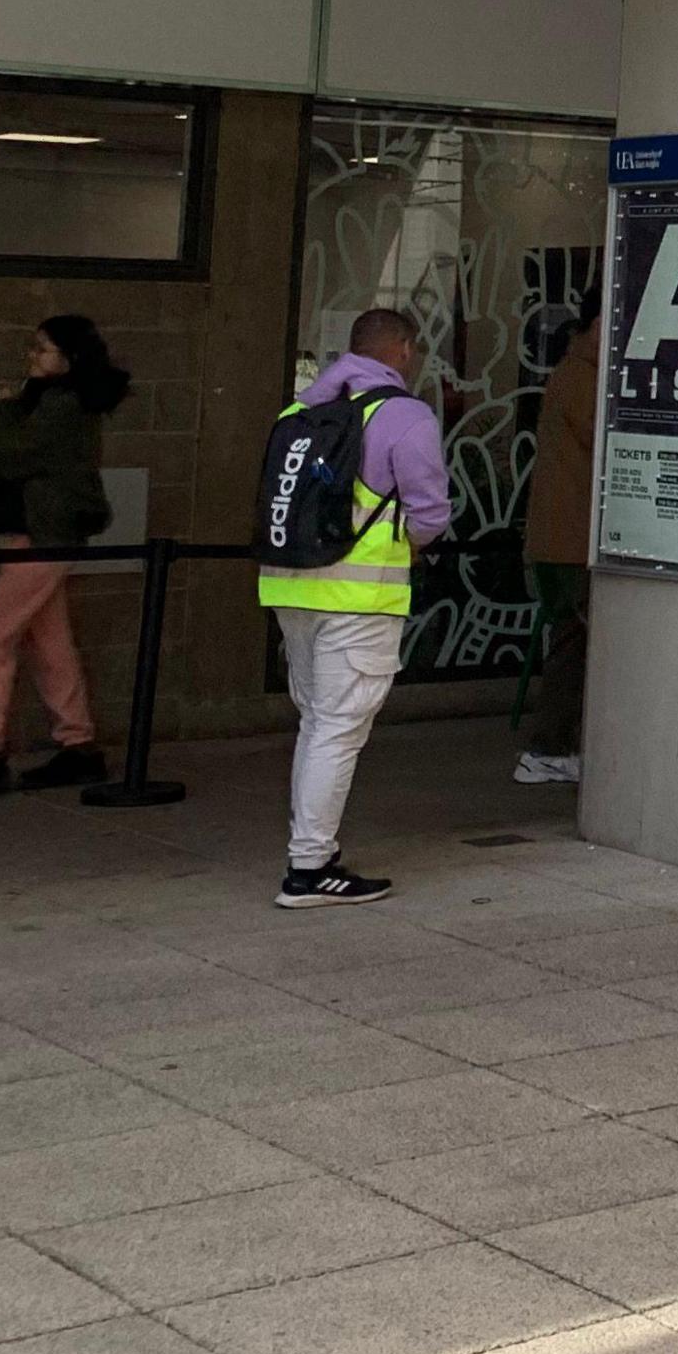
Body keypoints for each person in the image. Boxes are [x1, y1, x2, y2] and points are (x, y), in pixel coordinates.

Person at [258, 308, 450, 909]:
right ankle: (309, 869)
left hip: (292, 589)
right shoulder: (404, 416)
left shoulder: (298, 412)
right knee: (339, 731)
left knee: (317, 725)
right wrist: (412, 548)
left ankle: (311, 851)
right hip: (359, 597)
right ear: (399, 349)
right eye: (411, 350)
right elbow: (430, 515)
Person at [0, 316, 129, 800]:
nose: (32, 356)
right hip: (37, 535)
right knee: (48, 643)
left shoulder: (60, 406)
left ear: (68, 358)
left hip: (43, 537)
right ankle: (77, 745)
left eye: (43, 349)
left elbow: (12, 455)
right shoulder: (51, 403)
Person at [514, 321, 597, 787]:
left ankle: (550, 745)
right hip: (572, 539)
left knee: (572, 639)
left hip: (558, 539)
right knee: (577, 644)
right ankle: (550, 746)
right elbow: (606, 437)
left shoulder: (567, 374)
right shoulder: (581, 377)